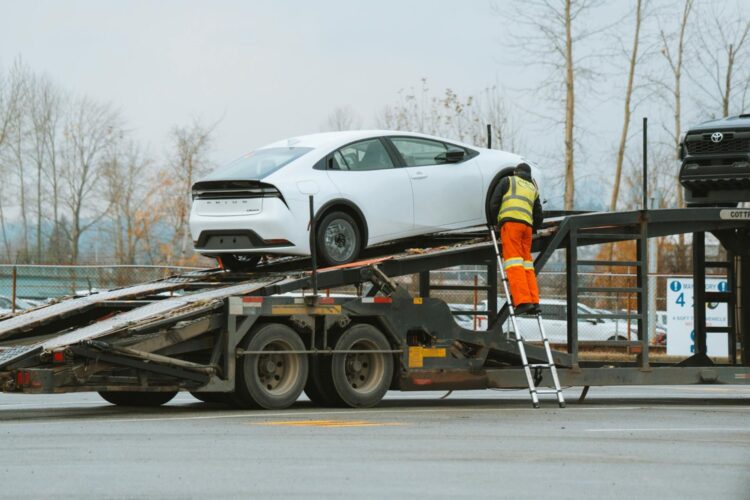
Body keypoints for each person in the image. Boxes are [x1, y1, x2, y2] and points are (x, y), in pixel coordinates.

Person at [490, 163, 543, 315]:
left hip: (511, 224)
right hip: (527, 228)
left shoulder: (508, 181)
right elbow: (538, 214)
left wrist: (495, 223)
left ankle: (523, 302)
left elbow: (494, 203)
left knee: (514, 263)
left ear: (516, 172)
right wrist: (535, 228)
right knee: (527, 264)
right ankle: (534, 301)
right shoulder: (533, 188)